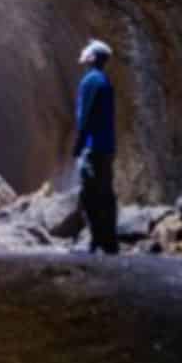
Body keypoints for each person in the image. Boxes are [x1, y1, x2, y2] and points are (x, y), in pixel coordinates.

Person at [72, 39, 118, 254]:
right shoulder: (105, 81)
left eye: (86, 51)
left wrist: (78, 143)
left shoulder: (90, 81)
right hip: (106, 147)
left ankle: (96, 240)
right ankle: (109, 241)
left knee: (89, 193)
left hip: (93, 147)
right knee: (105, 193)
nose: (82, 52)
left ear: (92, 58)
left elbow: (86, 115)